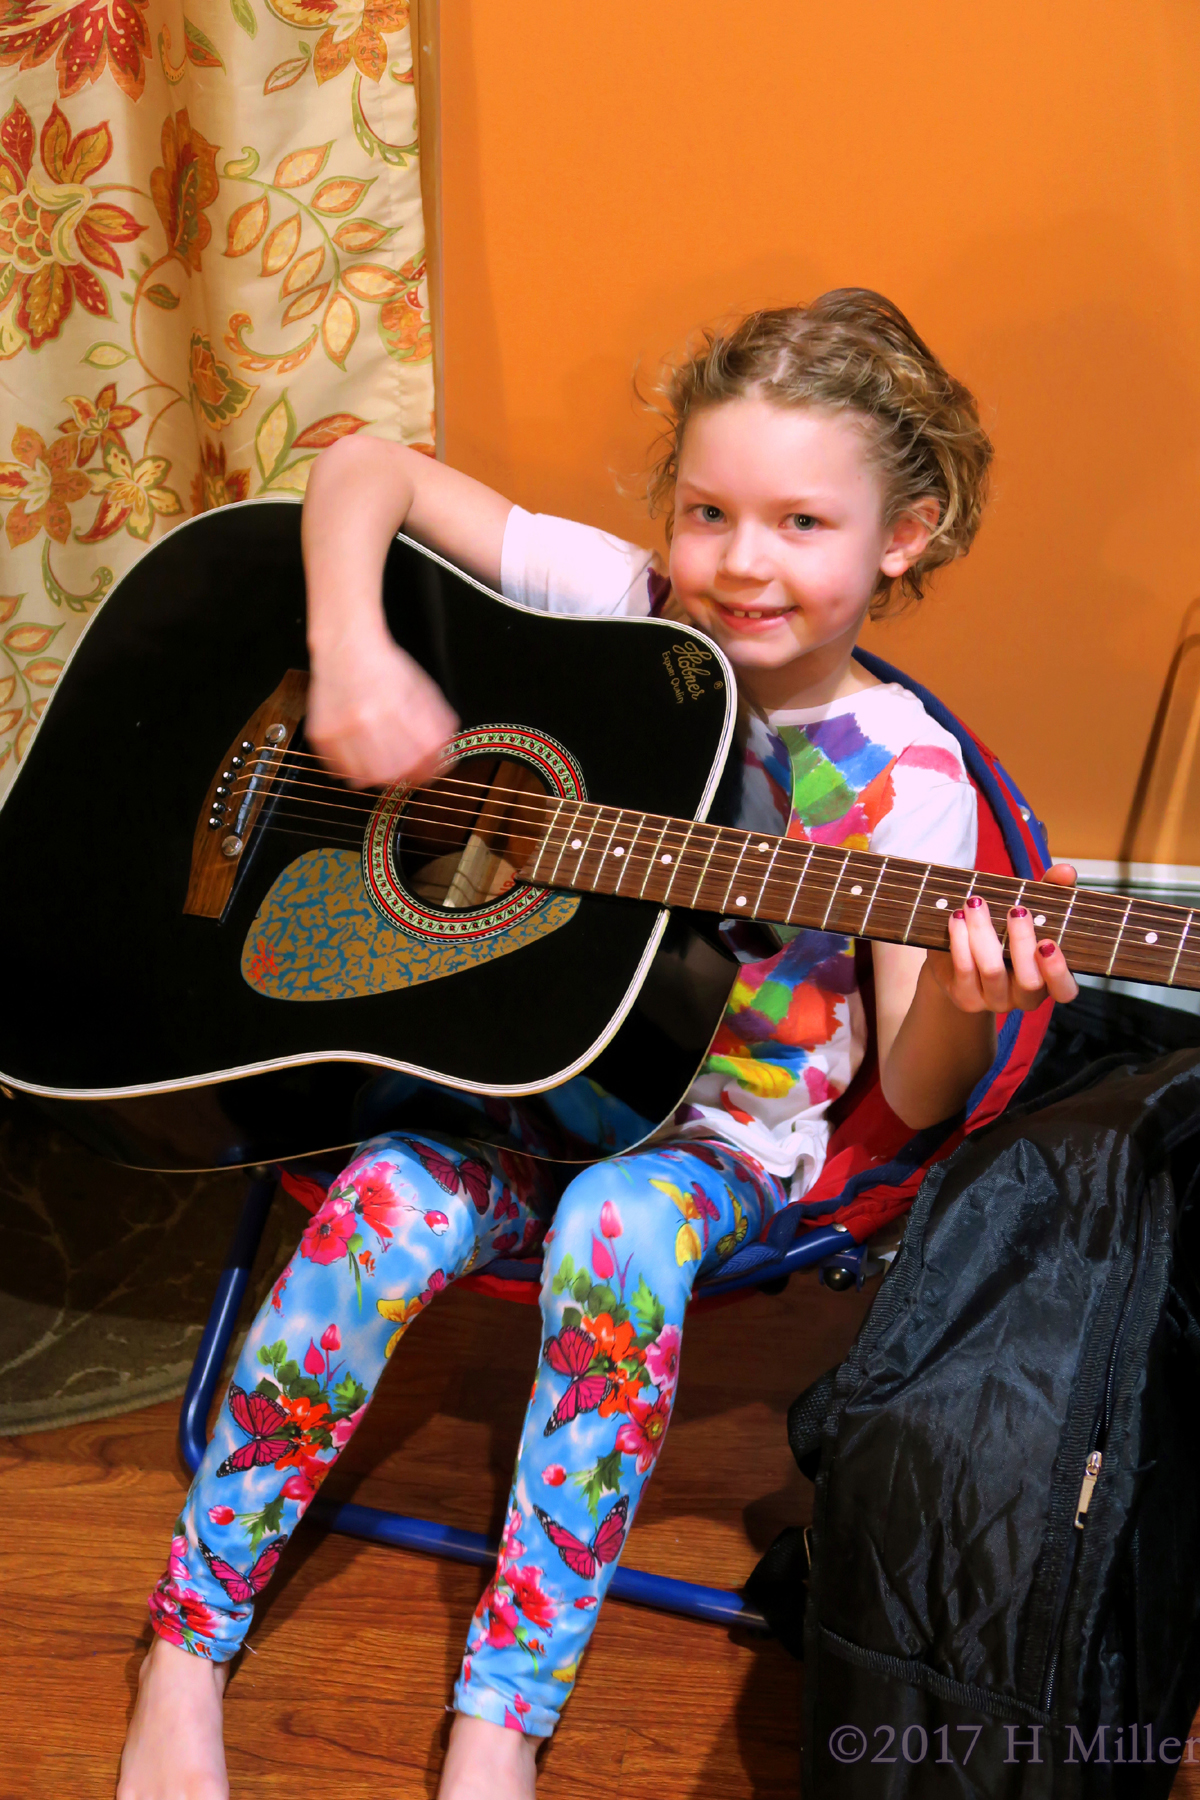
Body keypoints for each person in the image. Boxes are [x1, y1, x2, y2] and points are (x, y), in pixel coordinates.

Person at [117, 289, 1078, 1800]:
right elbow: (367, 466)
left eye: (802, 522)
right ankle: (186, 1645)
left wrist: (975, 991)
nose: (740, 561)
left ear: (907, 533)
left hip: (709, 1145)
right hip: (493, 1079)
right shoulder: (619, 606)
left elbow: (910, 1095)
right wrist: (354, 649)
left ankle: (503, 1713)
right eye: (710, 509)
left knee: (618, 1229)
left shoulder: (912, 785)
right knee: (387, 1204)